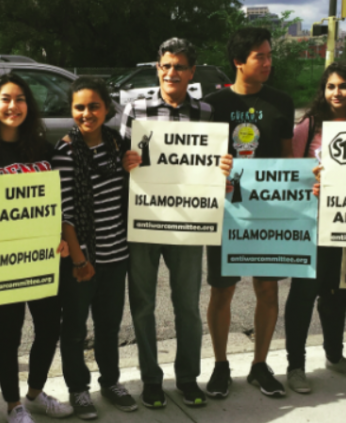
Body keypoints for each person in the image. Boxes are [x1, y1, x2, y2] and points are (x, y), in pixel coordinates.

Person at [121, 37, 233, 409]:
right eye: (166, 65)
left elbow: (213, 162)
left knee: (186, 304)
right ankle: (151, 379)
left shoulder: (205, 112)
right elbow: (117, 157)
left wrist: (223, 169)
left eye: (180, 66)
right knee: (143, 305)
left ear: (191, 71)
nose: (172, 72)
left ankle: (187, 378)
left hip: (188, 221)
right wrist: (126, 163)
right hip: (145, 219)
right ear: (158, 68)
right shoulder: (135, 109)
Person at [0, 73, 73, 423]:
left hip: (43, 257)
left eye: (20, 99)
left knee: (50, 326)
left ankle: (36, 393)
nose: (13, 106)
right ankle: (13, 405)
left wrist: (61, 240)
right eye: (6, 99)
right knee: (9, 331)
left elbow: (55, 202)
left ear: (29, 105)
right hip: (2, 261)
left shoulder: (44, 150)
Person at [201, 27, 294, 399]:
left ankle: (260, 365)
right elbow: (200, 162)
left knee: (267, 288)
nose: (269, 62)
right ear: (239, 61)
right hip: (227, 212)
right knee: (222, 290)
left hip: (269, 209)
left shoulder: (282, 102)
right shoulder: (212, 105)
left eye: (270, 56)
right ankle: (221, 365)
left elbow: (287, 157)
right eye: (261, 56)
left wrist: (301, 184)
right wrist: (216, 169)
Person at [282, 61, 346, 395]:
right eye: (331, 86)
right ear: (324, 89)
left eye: (344, 86)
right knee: (303, 295)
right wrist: (310, 185)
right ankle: (296, 365)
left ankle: (335, 356)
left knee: (341, 295)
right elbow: (288, 172)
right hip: (311, 225)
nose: (337, 92)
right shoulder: (310, 125)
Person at [52, 76, 136, 420]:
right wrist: (78, 258)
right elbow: (65, 211)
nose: (87, 113)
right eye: (79, 107)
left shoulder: (118, 144)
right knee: (74, 329)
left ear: (107, 109)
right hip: (82, 259)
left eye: (94, 106)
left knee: (108, 325)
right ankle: (78, 389)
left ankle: (111, 381)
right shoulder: (66, 150)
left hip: (116, 255)